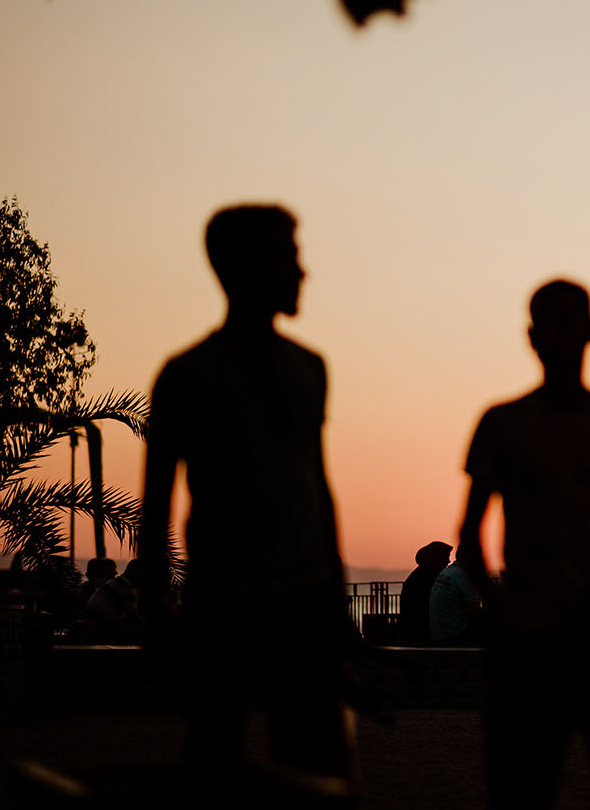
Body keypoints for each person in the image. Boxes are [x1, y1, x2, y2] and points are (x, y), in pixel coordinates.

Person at [138, 205, 356, 794]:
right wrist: (157, 608)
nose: (302, 272)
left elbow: (317, 485)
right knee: (213, 757)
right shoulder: (188, 374)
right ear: (238, 267)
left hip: (303, 599)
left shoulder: (310, 368)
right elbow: (156, 502)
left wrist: (333, 600)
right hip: (223, 597)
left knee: (311, 763)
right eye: (288, 257)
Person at [458, 279, 590, 810]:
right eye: (548, 323)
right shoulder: (503, 424)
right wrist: (503, 610)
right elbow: (470, 535)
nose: (558, 335)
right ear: (532, 336)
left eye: (567, 322)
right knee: (522, 787)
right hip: (529, 631)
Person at [398, 541, 452, 645]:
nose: (448, 561)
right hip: (420, 636)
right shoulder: (424, 578)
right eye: (446, 557)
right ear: (436, 558)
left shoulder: (420, 575)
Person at [428, 543, 482, 645]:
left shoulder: (447, 572)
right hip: (455, 637)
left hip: (439, 635)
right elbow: (475, 613)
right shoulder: (465, 577)